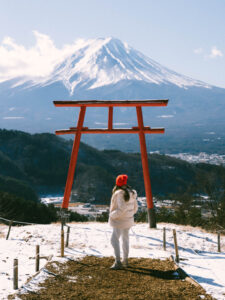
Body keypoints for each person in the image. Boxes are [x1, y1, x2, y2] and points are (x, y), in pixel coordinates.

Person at [109, 174, 138, 269]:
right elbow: (135, 208)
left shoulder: (119, 193)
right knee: (125, 239)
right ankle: (125, 260)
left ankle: (117, 262)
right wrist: (129, 216)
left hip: (119, 220)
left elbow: (122, 208)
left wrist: (112, 215)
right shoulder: (132, 193)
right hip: (128, 220)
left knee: (114, 240)